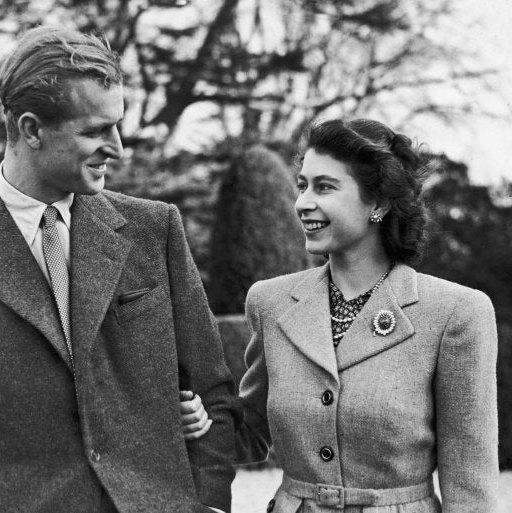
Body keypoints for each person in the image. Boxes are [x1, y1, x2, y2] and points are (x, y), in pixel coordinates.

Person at [0, 26, 239, 513]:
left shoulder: (154, 229)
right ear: (31, 129)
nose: (117, 147)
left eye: (116, 126)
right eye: (96, 131)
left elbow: (212, 391)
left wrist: (210, 504)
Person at [181, 119, 499, 512]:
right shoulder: (270, 302)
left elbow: (470, 484)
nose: (302, 202)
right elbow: (252, 433)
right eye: (302, 185)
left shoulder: (456, 313)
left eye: (325, 187)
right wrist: (204, 424)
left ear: (379, 202)